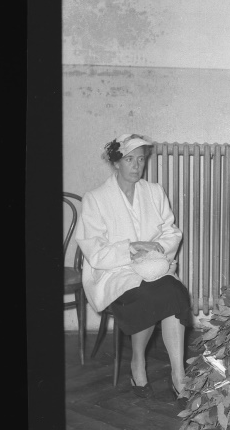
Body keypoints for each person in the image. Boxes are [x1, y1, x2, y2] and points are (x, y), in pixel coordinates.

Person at [75, 133, 193, 401]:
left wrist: (157, 247)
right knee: (147, 294)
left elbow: (171, 231)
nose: (136, 166)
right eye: (129, 159)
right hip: (114, 271)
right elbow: (94, 251)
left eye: (140, 159)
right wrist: (131, 247)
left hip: (153, 266)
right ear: (116, 162)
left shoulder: (154, 192)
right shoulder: (95, 198)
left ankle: (179, 375)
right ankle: (138, 361)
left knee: (175, 292)